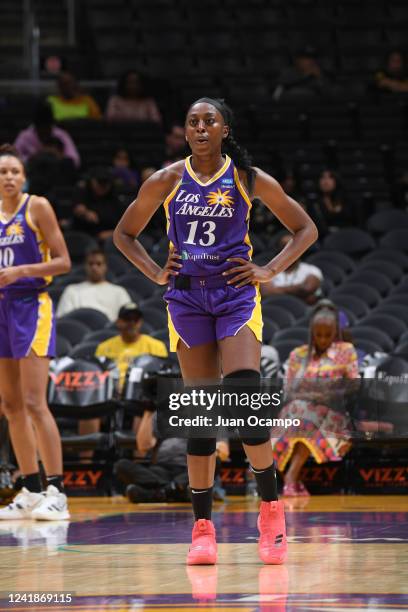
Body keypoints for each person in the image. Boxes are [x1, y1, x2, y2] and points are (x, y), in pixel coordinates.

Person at [113, 97, 318, 565]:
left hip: (235, 296)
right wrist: (154, 272)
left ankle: (270, 507)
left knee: (245, 403)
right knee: (201, 415)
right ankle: (203, 528)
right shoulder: (166, 179)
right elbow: (123, 234)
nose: (201, 128)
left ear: (226, 129)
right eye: (192, 122)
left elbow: (305, 228)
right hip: (186, 297)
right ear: (185, 132)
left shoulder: (248, 179)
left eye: (210, 121)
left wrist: (268, 269)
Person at [0, 144, 71, 520]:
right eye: (3, 172)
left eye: (14, 170)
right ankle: (29, 488)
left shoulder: (36, 207)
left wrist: (21, 271)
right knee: (10, 405)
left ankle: (57, 490)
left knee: (33, 402)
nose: (9, 176)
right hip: (1, 310)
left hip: (32, 306)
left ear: (23, 176)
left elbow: (63, 261)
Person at [272, 304, 359, 497]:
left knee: (302, 416)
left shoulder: (346, 351)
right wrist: (311, 396)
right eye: (318, 334)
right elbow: (289, 389)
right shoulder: (298, 354)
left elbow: (354, 385)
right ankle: (293, 481)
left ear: (335, 332)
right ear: (311, 333)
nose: (322, 340)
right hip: (298, 410)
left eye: (327, 335)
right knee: (299, 412)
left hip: (334, 414)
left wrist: (327, 394)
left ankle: (288, 477)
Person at [78, 302, 168, 444]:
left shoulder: (156, 346)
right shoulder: (104, 347)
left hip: (139, 396)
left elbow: (159, 377)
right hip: (110, 395)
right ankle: (87, 465)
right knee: (89, 409)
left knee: (144, 412)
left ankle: (137, 462)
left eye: (135, 320)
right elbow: (98, 376)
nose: (131, 323)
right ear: (118, 322)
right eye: (127, 319)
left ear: (140, 322)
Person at [56, 248, 131, 321]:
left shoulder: (119, 292)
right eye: (90, 264)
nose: (94, 267)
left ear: (105, 266)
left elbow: (129, 317)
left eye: (99, 264)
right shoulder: (72, 290)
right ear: (85, 266)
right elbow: (64, 320)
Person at [14, 100, 80, 167]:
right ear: (36, 125)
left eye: (47, 127)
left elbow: (75, 160)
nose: (44, 131)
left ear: (52, 125)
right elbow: (13, 159)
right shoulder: (24, 136)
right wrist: (35, 158)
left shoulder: (61, 135)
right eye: (41, 127)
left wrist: (58, 157)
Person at [261, 234, 323, 304]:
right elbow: (266, 293)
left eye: (292, 247)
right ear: (278, 250)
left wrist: (276, 290)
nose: (288, 251)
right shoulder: (267, 270)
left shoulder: (311, 270)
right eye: (284, 247)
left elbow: (307, 288)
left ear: (300, 249)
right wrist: (299, 292)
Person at [72, 167, 123, 241]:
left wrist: (113, 233)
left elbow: (122, 224)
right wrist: (85, 213)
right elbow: (78, 209)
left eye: (105, 183)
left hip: (110, 237)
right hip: (86, 236)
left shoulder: (114, 198)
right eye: (99, 182)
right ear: (92, 181)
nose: (102, 186)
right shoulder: (83, 192)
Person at [310, 169, 353, 236]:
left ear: (336, 180)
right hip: (324, 239)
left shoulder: (346, 200)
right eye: (323, 177)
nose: (325, 181)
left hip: (347, 236)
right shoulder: (315, 203)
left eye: (330, 177)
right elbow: (317, 226)